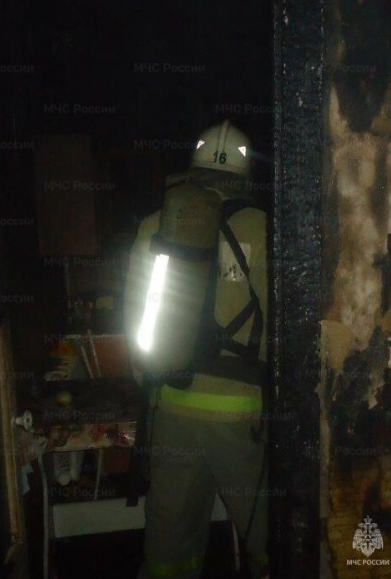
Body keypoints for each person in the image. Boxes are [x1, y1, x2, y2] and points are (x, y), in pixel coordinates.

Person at [124, 120, 268, 579]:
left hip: (172, 405)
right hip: (241, 414)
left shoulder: (155, 225)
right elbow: (283, 329)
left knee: (169, 545)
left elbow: (136, 320)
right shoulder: (264, 228)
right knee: (268, 539)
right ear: (244, 175)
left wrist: (152, 384)